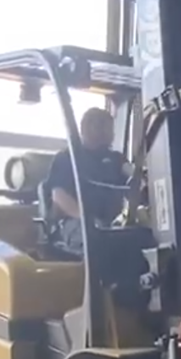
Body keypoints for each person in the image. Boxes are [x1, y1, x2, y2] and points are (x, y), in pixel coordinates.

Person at [45, 106, 133, 256]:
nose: (111, 133)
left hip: (111, 222)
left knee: (140, 238)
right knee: (98, 241)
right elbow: (59, 195)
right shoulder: (68, 158)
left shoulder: (116, 159)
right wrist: (84, 218)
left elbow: (133, 176)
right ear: (90, 127)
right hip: (74, 222)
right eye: (106, 127)